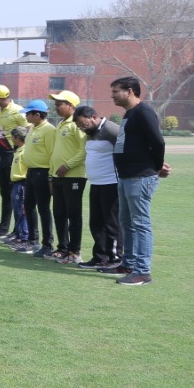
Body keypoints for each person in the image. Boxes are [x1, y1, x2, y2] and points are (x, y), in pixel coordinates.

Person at [108, 76, 170, 285]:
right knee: (126, 222)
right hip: (126, 176)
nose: (112, 95)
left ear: (130, 91)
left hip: (140, 176)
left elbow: (158, 142)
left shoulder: (144, 112)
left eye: (116, 91)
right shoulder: (129, 114)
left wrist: (157, 166)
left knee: (140, 224)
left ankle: (142, 271)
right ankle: (128, 264)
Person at [74, 104, 120, 270]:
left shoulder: (111, 129)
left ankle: (115, 258)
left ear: (93, 117)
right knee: (96, 222)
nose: (82, 129)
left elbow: (131, 147)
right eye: (79, 127)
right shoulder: (90, 133)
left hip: (111, 183)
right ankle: (100, 257)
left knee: (111, 223)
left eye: (83, 125)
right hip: (96, 183)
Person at [48, 90, 87, 264]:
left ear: (71, 105)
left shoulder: (77, 124)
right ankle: (62, 248)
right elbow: (55, 152)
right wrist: (51, 175)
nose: (56, 107)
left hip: (74, 176)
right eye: (56, 104)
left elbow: (84, 150)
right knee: (59, 213)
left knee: (73, 213)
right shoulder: (61, 124)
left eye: (59, 104)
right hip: (58, 176)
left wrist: (68, 165)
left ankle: (74, 251)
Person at [0, 84, 27, 239]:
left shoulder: (18, 111)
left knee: (15, 195)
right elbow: (0, 134)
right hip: (2, 157)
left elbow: (28, 130)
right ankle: (4, 228)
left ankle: (18, 231)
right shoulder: (0, 113)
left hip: (13, 156)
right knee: (5, 194)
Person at [20, 100, 56, 258]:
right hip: (31, 172)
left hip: (43, 172)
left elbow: (52, 153)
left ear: (37, 115)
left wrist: (50, 177)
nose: (25, 116)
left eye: (28, 113)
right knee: (28, 206)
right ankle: (32, 240)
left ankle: (47, 244)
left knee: (43, 208)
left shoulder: (49, 130)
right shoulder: (33, 128)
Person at [4, 126, 32, 251]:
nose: (11, 139)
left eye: (12, 137)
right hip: (16, 183)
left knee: (22, 211)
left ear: (17, 138)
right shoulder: (18, 150)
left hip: (22, 183)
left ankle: (25, 237)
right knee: (17, 210)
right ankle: (19, 235)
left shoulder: (25, 151)